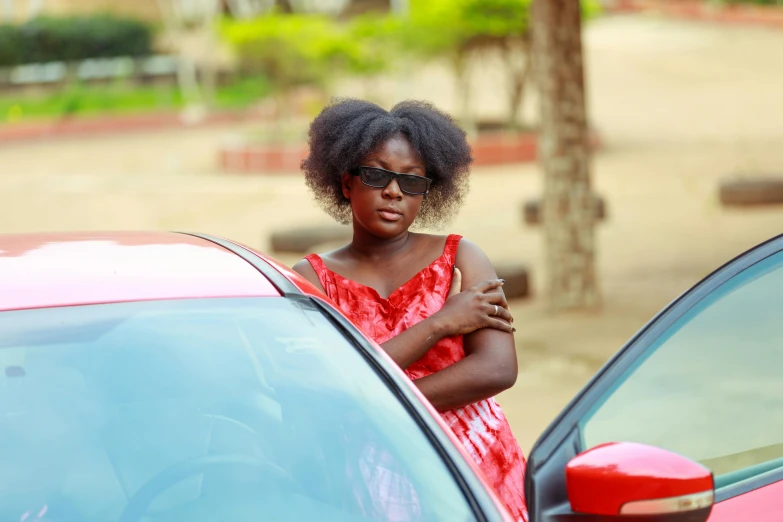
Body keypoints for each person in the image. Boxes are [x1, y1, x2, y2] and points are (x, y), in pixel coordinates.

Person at [292, 98, 528, 521]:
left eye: (412, 181)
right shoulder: (312, 279)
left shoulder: (460, 258)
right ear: (346, 183)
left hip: (472, 470)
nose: (394, 191)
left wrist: (371, 402)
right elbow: (328, 388)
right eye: (376, 174)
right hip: (366, 485)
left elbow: (497, 369)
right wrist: (441, 323)